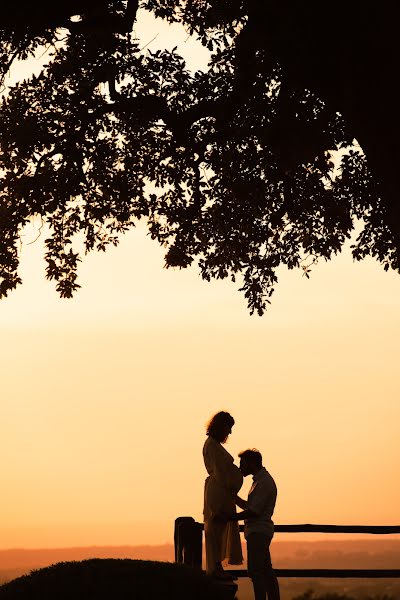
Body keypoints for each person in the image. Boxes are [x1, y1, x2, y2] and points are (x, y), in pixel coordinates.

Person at [227, 449, 280, 600]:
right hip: (259, 531)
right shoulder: (261, 481)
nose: (240, 467)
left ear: (251, 463)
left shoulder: (263, 483)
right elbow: (252, 507)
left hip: (258, 531)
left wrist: (230, 517)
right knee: (265, 570)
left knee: (255, 571)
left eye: (242, 463)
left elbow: (254, 511)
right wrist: (235, 499)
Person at [203, 411, 243, 578]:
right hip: (218, 493)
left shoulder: (214, 445)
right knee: (216, 529)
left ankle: (217, 567)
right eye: (229, 428)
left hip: (222, 492)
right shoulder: (212, 446)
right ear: (221, 426)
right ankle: (215, 568)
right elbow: (221, 474)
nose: (230, 432)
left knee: (220, 529)